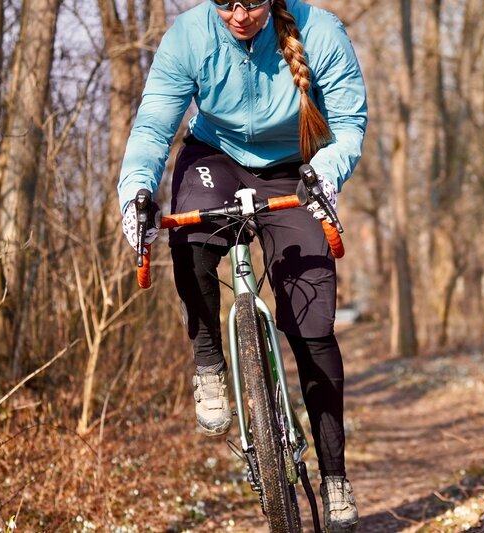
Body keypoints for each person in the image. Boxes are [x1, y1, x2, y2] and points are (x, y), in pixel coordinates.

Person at [117, 0, 367, 530]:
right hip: (214, 157)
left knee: (314, 329)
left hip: (294, 167)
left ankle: (335, 476)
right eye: (224, 2)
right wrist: (136, 190)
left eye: (251, 2)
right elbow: (153, 128)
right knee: (188, 238)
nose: (237, 15)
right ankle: (209, 361)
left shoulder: (320, 31)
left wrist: (325, 174)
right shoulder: (188, 37)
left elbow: (348, 122)